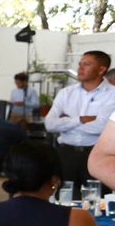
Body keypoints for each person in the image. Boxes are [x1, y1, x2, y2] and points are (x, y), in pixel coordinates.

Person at [44, 50, 115, 199]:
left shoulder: (112, 94)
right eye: (80, 64)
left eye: (87, 64)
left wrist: (66, 122)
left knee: (97, 201)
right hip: (65, 154)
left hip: (95, 154)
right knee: (63, 200)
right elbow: (50, 124)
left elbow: (101, 127)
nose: (80, 68)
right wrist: (80, 119)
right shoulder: (66, 93)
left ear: (102, 69)